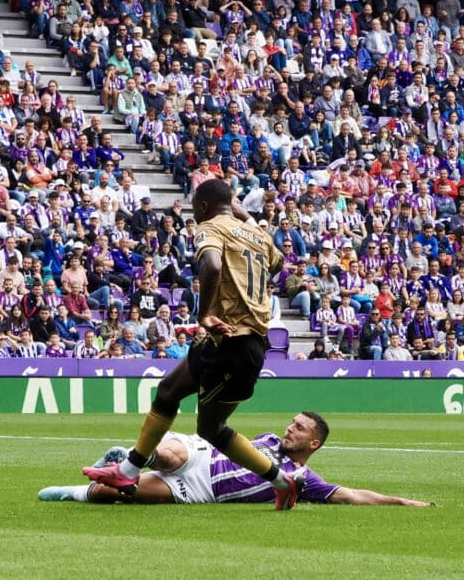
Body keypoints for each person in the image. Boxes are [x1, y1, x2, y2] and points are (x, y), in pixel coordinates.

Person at [83, 180, 301, 510]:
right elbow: (278, 263)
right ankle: (127, 470)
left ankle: (282, 482)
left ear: (200, 208)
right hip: (237, 342)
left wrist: (205, 314)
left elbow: (211, 264)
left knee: (211, 429)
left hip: (232, 341)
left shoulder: (209, 227)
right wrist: (243, 217)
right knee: (168, 391)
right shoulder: (259, 235)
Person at [41, 412, 432, 507]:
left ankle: (74, 490)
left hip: (199, 489)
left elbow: (353, 495)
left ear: (313, 443)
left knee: (120, 497)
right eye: (292, 423)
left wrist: (401, 501)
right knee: (172, 452)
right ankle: (132, 460)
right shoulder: (266, 440)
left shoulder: (302, 477)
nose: (290, 429)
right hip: (200, 456)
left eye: (299, 429)